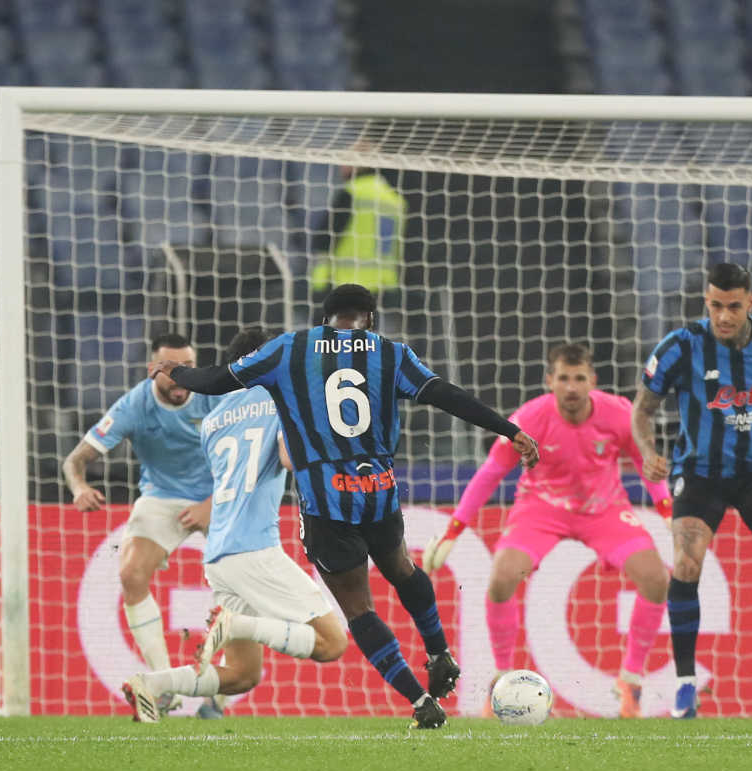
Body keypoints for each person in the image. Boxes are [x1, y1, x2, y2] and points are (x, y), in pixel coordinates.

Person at [150, 284, 539, 729]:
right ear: (369, 318)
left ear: (324, 319)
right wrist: (508, 429)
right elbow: (446, 394)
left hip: (326, 503)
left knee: (359, 610)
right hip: (378, 492)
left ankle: (419, 702)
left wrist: (177, 373)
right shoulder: (390, 353)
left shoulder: (290, 349)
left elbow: (217, 380)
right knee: (403, 570)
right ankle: (439, 652)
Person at [421, 342, 672, 718]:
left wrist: (667, 510)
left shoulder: (620, 413)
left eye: (579, 378)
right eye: (564, 378)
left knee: (656, 579)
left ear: (593, 381)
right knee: (502, 579)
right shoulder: (529, 418)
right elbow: (490, 474)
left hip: (604, 509)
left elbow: (646, 464)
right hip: (541, 509)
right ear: (550, 381)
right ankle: (502, 682)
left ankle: (630, 682)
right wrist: (453, 531)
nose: (572, 387)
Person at [123, 329, 349, 723]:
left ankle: (152, 684)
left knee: (243, 675)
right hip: (255, 549)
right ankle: (235, 624)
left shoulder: (212, 421)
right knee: (333, 643)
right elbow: (289, 459)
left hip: (219, 557)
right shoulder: (282, 399)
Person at [632, 261, 752, 720]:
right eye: (715, 305)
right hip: (700, 473)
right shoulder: (680, 346)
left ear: (750, 302)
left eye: (733, 307)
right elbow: (642, 409)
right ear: (707, 301)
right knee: (686, 564)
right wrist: (648, 451)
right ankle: (684, 687)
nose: (723, 316)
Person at [62, 333, 219, 717]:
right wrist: (79, 487)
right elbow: (74, 461)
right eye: (171, 369)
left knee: (236, 586)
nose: (181, 377)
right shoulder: (134, 405)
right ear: (153, 370)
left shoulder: (213, 395)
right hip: (162, 497)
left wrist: (211, 504)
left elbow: (249, 458)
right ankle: (165, 684)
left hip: (220, 495)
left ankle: (219, 692)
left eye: (188, 367)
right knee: (131, 573)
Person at [309, 165, 406, 337]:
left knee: (328, 344)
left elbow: (325, 238)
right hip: (376, 287)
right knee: (364, 345)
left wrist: (320, 278)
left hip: (340, 284)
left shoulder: (352, 192)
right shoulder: (394, 199)